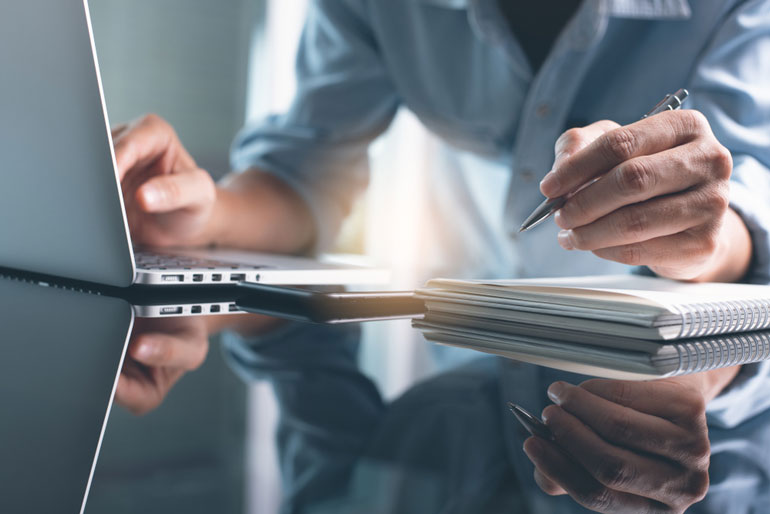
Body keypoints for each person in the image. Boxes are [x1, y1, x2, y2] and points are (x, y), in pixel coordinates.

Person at [113, 1, 770, 512]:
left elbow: (751, 191)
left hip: (677, 367)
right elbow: (307, 168)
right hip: (466, 334)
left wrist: (711, 239)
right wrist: (210, 212)